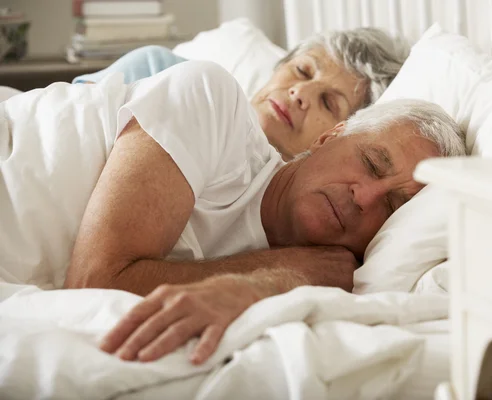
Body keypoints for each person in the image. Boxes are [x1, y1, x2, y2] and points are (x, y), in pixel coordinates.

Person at [0, 60, 464, 366]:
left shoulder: (330, 290)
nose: (364, 197)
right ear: (331, 137)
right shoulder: (213, 101)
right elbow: (96, 282)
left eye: (393, 205)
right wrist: (283, 270)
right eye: (370, 163)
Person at [73, 27, 410, 160]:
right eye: (303, 70)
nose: (300, 92)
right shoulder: (158, 69)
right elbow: (68, 124)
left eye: (328, 102)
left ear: (339, 134)